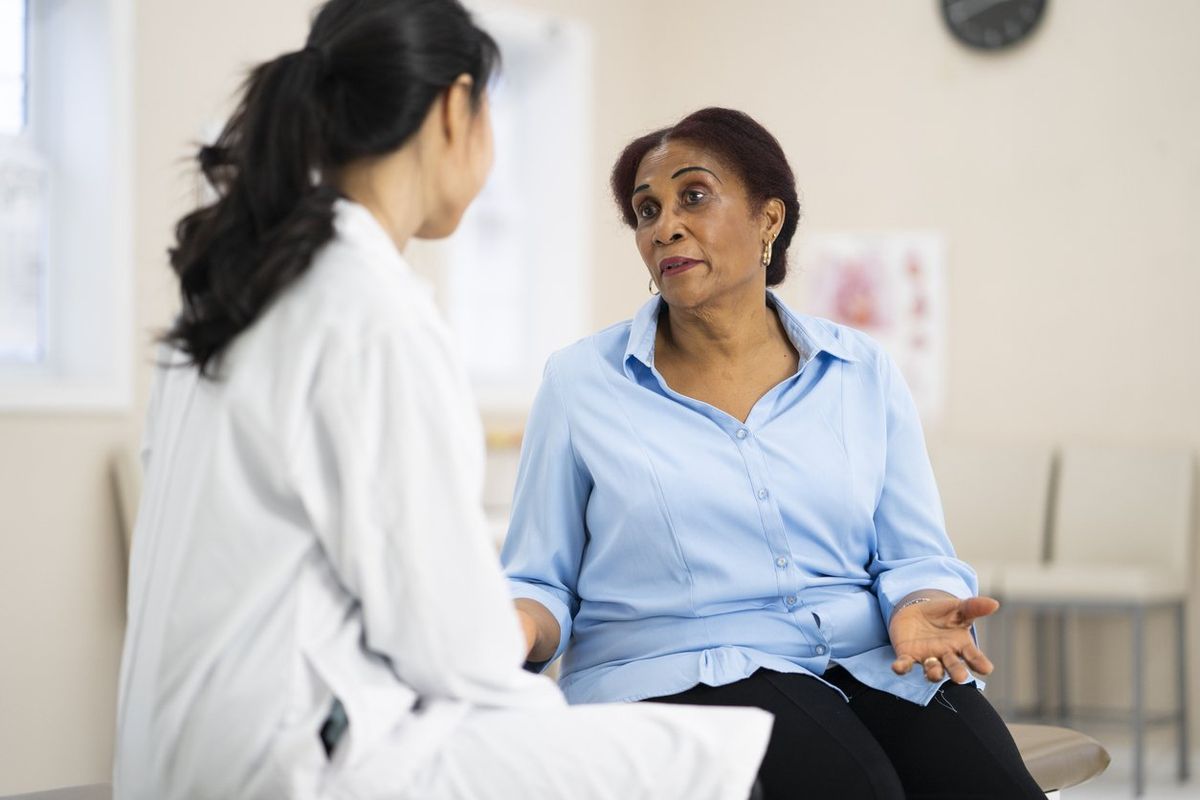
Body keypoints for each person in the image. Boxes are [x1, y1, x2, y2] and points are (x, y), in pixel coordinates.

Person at [113, 6, 772, 798]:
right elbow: (447, 645)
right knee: (720, 762)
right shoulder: (372, 310)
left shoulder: (235, 290)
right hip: (290, 760)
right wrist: (530, 648)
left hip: (171, 748)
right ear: (458, 107)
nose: (665, 229)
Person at [503, 107, 1044, 800]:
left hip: (862, 655)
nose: (664, 224)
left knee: (989, 782)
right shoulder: (582, 382)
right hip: (676, 669)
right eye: (646, 210)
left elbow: (915, 553)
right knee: (857, 786)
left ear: (768, 220)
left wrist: (921, 602)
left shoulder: (860, 370)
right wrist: (516, 627)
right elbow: (538, 579)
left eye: (693, 196)